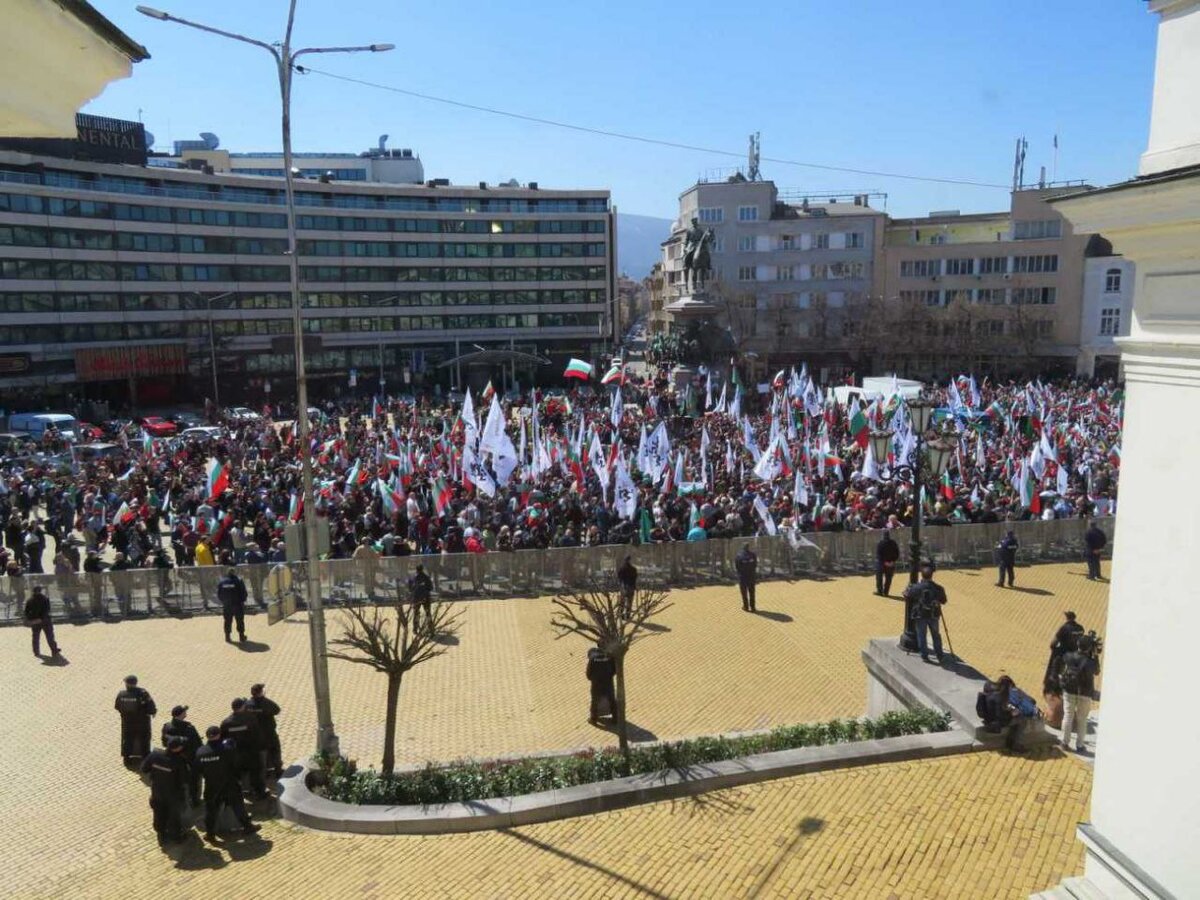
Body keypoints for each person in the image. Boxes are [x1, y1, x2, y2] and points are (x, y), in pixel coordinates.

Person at [194, 725, 260, 841]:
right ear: (219, 735)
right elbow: (236, 763)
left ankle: (210, 834)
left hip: (211, 785)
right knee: (238, 806)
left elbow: (198, 770)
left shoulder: (201, 752)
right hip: (229, 783)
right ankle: (248, 827)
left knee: (211, 811)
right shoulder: (226, 749)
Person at [140, 736, 189, 843]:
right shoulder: (179, 761)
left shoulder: (155, 755)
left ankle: (161, 834)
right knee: (173, 815)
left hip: (157, 791)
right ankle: (176, 836)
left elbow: (144, 768)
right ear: (176, 748)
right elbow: (184, 779)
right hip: (173, 793)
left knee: (158, 812)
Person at [1059, 633, 1101, 754]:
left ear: (1078, 645)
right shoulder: (1091, 662)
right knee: (1082, 719)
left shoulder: (1069, 656)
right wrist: (1095, 655)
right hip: (1085, 693)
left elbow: (1065, 658)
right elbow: (1097, 671)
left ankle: (1064, 742)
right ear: (1089, 648)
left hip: (1069, 690)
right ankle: (1080, 745)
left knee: (1068, 716)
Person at [1042, 611, 1085, 728]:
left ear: (1067, 617)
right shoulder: (1081, 628)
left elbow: (1054, 642)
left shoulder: (1064, 628)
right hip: (1075, 655)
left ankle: (1054, 685)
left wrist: (1054, 649)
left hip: (1063, 654)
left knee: (1054, 670)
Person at [220, 697, 267, 798]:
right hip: (251, 752)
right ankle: (259, 793)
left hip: (236, 754)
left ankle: (245, 791)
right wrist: (261, 748)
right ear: (242, 706)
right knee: (256, 773)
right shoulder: (250, 719)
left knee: (241, 773)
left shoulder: (226, 723)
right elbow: (258, 735)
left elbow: (223, 739)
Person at [904, 562, 947, 664]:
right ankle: (939, 655)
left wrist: (908, 589)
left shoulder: (916, 587)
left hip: (920, 615)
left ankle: (924, 656)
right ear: (932, 575)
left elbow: (907, 595)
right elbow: (944, 601)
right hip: (934, 615)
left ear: (921, 575)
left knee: (921, 635)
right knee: (936, 635)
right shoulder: (938, 588)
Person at [161, 705, 203, 806]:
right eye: (184, 712)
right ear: (180, 715)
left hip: (173, 758)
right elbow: (197, 744)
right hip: (189, 759)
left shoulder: (167, 726)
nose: (185, 713)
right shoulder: (189, 729)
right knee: (193, 780)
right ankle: (194, 800)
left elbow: (164, 742)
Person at [115, 674, 157, 762]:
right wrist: (152, 712)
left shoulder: (122, 694)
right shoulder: (143, 693)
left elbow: (117, 706)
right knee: (144, 738)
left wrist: (125, 714)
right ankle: (145, 757)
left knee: (127, 739)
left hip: (127, 722)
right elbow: (150, 705)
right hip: (142, 721)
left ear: (127, 683)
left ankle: (126, 758)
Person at [246, 683, 282, 776]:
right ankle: (278, 771)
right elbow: (277, 709)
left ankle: (266, 772)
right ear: (260, 692)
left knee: (261, 755)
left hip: (256, 735)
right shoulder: (265, 703)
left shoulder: (248, 705)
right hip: (269, 733)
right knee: (275, 751)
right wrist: (263, 699)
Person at [23, 584, 60, 657]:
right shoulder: (45, 599)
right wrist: (41, 618)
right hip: (45, 621)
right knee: (50, 636)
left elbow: (26, 611)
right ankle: (54, 650)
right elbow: (47, 610)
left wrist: (30, 619)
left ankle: (36, 652)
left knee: (35, 637)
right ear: (40, 591)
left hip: (34, 621)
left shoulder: (30, 600)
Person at [586, 643, 617, 726]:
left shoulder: (593, 658)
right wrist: (610, 676)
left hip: (596, 683)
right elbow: (614, 669)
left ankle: (593, 719)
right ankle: (615, 718)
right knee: (612, 699)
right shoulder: (610, 656)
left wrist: (592, 678)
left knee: (595, 700)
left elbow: (589, 673)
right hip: (608, 682)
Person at [217, 565, 249, 643]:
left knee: (227, 620)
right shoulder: (239, 581)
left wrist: (224, 601)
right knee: (239, 620)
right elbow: (244, 593)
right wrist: (242, 601)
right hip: (237, 604)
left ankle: (227, 637)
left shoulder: (222, 582)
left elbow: (219, 594)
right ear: (234, 573)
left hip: (227, 605)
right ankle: (241, 637)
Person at [875, 529, 900, 596]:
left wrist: (884, 562)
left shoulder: (881, 543)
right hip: (891, 562)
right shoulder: (893, 543)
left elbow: (879, 554)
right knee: (888, 578)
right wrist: (893, 561)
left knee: (879, 577)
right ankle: (886, 592)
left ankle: (880, 591)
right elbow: (897, 553)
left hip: (882, 563)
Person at [408, 563, 433, 630]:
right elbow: (430, 588)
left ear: (416, 570)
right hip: (425, 597)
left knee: (416, 613)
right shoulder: (426, 577)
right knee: (428, 612)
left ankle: (415, 628)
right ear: (422, 569)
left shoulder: (412, 577)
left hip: (416, 598)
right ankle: (430, 627)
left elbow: (410, 588)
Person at [735, 543, 757, 612]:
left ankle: (746, 606)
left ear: (742, 547)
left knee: (744, 593)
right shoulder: (753, 555)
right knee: (752, 593)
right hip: (751, 576)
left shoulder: (739, 556)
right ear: (748, 547)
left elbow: (737, 567)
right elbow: (755, 565)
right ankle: (753, 607)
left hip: (743, 577)